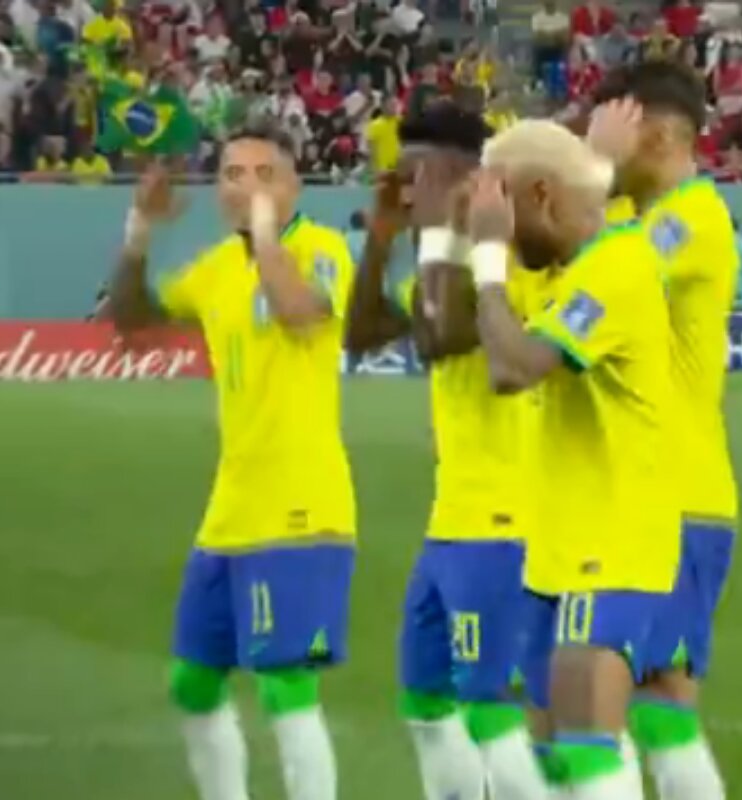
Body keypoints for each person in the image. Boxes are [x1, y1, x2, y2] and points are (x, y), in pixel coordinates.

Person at [107, 125, 357, 800]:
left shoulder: (322, 248)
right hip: (231, 509)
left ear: (293, 186)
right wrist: (139, 229)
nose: (243, 185)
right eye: (230, 174)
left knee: (285, 687)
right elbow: (132, 321)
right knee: (192, 681)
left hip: (301, 505)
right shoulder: (216, 267)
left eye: (261, 173)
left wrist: (267, 231)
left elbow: (299, 312)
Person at [465, 119, 679, 800]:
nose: (493, 223)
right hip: (559, 548)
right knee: (553, 755)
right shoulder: (578, 266)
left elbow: (513, 367)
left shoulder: (618, 267)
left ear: (538, 196)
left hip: (611, 545)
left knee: (589, 751)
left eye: (501, 206)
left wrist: (488, 259)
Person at [344, 104, 546, 800]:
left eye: (413, 173)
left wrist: (439, 233)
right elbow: (362, 331)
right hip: (450, 525)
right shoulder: (443, 261)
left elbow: (439, 337)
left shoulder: (507, 262)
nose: (403, 186)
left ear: (460, 174)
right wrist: (381, 236)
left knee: (492, 714)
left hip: (504, 524)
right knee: (426, 705)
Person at [589, 60, 736, 800]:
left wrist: (588, 170)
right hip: (638, 494)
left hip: (678, 495)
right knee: (629, 696)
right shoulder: (638, 220)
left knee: (649, 696)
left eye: (615, 128)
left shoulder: (691, 218)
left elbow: (617, 282)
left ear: (653, 135)